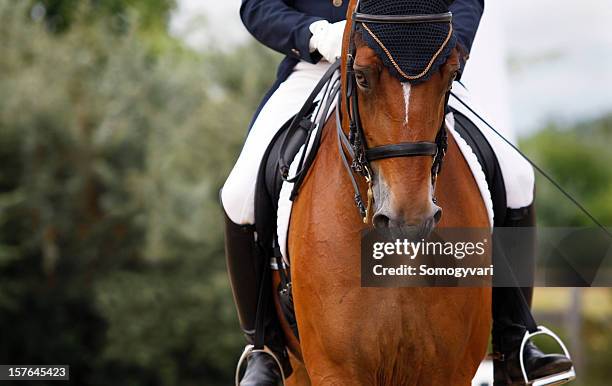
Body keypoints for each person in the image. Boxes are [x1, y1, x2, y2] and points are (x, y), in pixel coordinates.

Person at [221, 0, 573, 385]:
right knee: (239, 192)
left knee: (517, 174)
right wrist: (317, 35)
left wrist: (449, 43)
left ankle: (515, 339)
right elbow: (257, 6)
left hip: (420, 69)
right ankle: (263, 347)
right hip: (317, 65)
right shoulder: (318, 47)